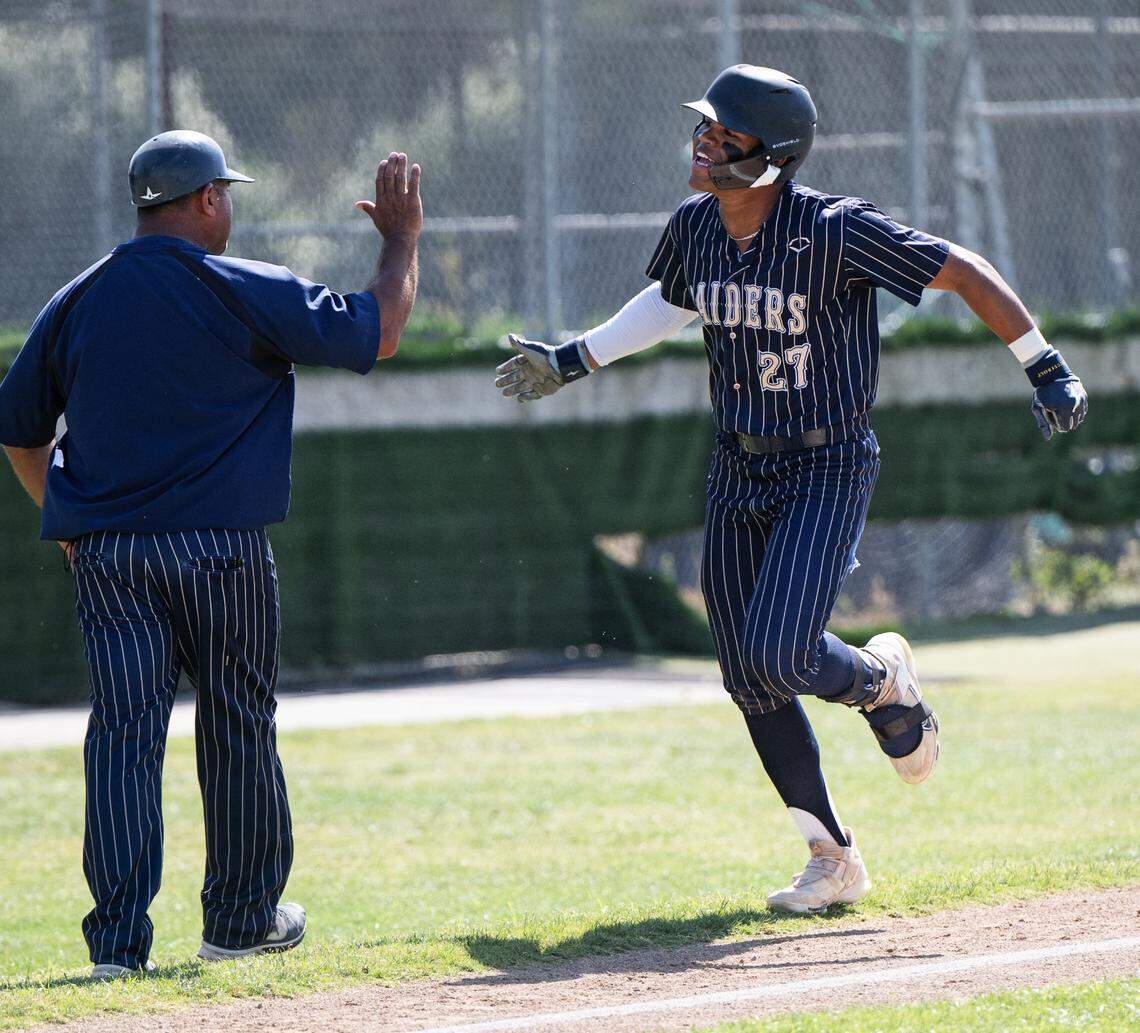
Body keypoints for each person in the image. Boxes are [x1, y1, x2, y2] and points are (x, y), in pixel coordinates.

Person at [494, 65, 1087, 913]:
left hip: (827, 460)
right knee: (748, 673)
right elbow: (671, 302)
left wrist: (1047, 364)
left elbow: (961, 269)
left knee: (778, 648)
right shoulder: (697, 226)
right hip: (739, 461)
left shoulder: (835, 231)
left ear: (769, 157)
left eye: (723, 134)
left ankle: (882, 681)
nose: (703, 143)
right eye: (704, 126)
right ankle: (832, 855)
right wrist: (573, 357)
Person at [0, 130, 423, 975]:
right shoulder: (238, 285)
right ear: (204, 201)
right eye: (223, 192)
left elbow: (18, 429)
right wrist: (403, 240)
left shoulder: (78, 298)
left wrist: (71, 518)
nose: (227, 205)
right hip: (220, 551)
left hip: (111, 557)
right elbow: (378, 332)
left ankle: (117, 949)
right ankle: (238, 922)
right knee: (235, 723)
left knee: (123, 735)